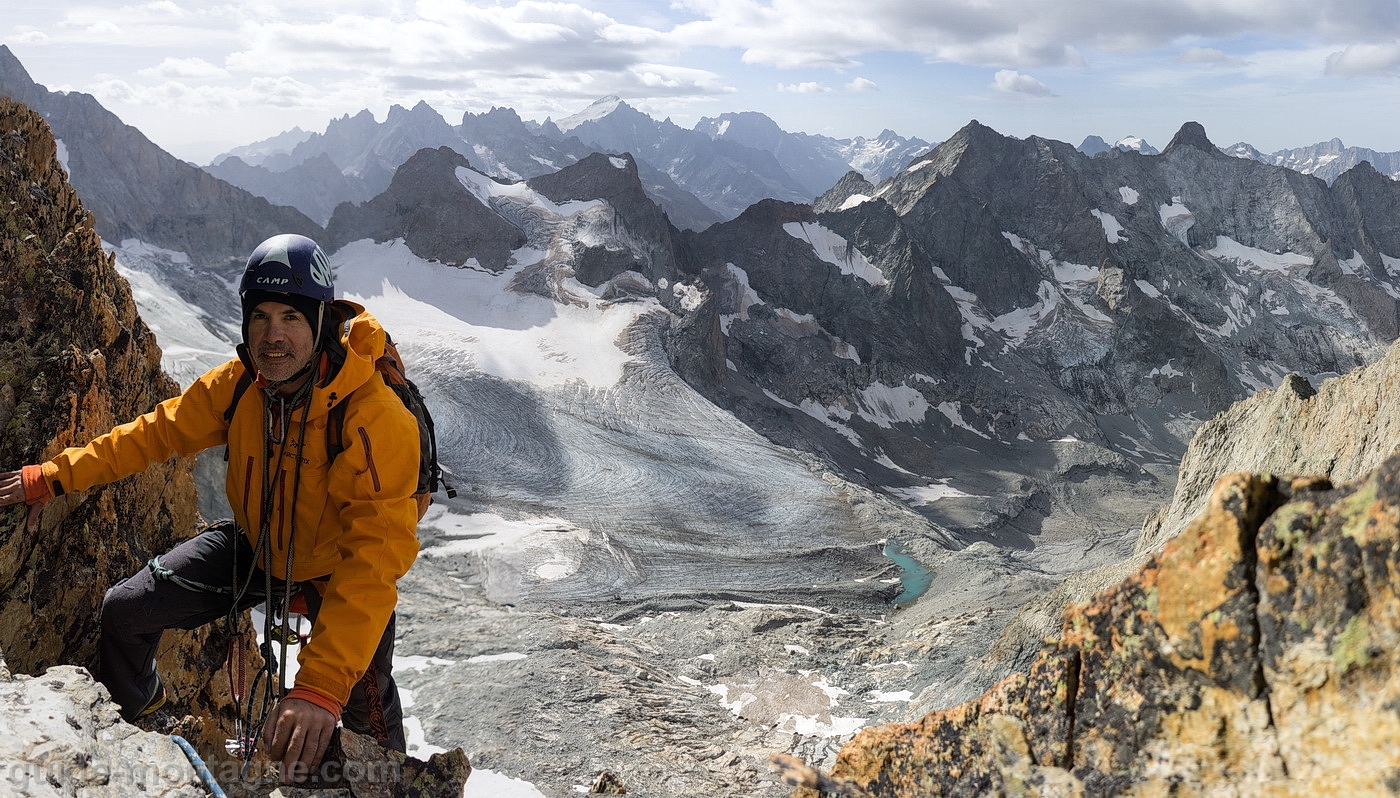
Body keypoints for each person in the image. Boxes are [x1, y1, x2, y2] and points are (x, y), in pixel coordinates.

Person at [0, 233, 421, 783]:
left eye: (291, 317)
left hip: (339, 573)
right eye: (261, 316)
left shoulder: (372, 417)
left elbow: (374, 557)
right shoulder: (241, 385)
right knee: (125, 612)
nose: (273, 335)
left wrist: (319, 686)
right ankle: (149, 732)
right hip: (259, 548)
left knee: (370, 732)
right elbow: (153, 434)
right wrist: (54, 477)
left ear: (321, 321)